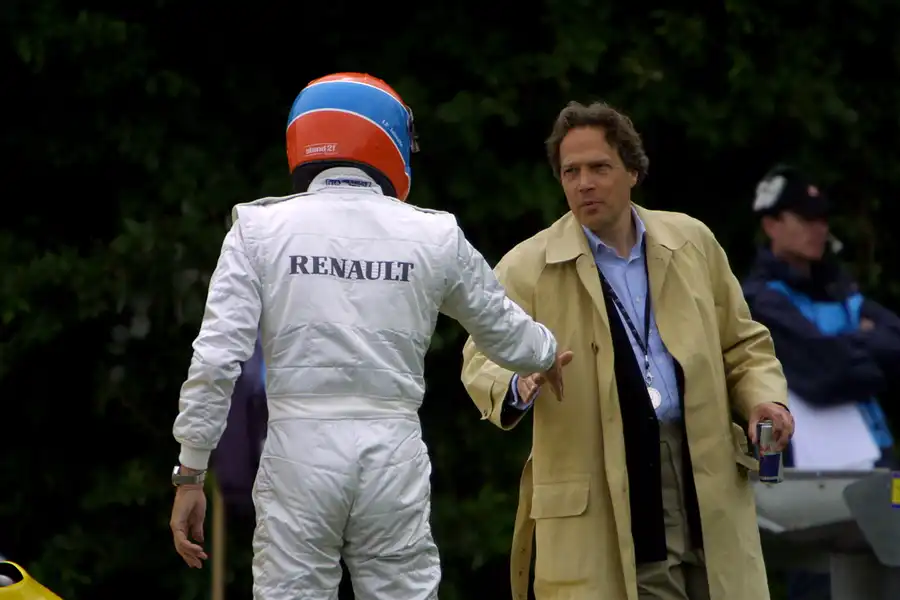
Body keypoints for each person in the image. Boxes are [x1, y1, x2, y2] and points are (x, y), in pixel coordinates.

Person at [167, 72, 572, 600]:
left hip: (297, 451)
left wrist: (190, 472)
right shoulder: (433, 234)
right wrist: (547, 351)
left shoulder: (257, 229)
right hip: (392, 451)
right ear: (387, 139)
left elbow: (217, 359)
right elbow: (507, 333)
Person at [460, 101, 794, 600]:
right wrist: (517, 382)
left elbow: (743, 344)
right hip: (603, 495)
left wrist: (765, 399)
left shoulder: (691, 241)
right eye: (570, 172)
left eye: (599, 168)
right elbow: (477, 359)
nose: (584, 183)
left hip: (702, 473)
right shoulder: (529, 264)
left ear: (633, 171)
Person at [743, 164, 900, 600]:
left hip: (877, 464)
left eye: (822, 219)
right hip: (810, 480)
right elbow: (826, 374)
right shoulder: (757, 298)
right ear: (772, 223)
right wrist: (864, 347)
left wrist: (845, 358)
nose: (819, 228)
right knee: (820, 583)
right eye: (805, 218)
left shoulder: (839, 287)